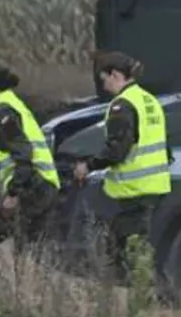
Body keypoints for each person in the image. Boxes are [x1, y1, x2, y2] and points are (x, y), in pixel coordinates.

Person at [73, 51, 171, 285]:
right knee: (128, 250)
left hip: (134, 190)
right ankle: (140, 298)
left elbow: (117, 150)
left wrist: (88, 165)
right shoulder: (149, 100)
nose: (103, 86)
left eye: (104, 79)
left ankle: (160, 299)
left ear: (115, 75)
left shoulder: (122, 105)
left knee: (133, 255)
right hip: (153, 187)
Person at [0, 63, 60, 291]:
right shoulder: (14, 103)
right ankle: (35, 302)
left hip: (31, 189)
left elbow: (24, 154)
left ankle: (4, 301)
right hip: (44, 188)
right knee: (28, 255)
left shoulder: (5, 110)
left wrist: (13, 193)